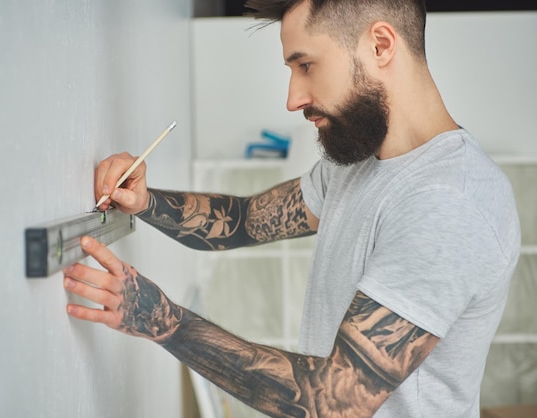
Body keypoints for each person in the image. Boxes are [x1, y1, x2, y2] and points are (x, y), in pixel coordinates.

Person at [62, 0, 521, 416]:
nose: (292, 98)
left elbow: (337, 401)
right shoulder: (359, 162)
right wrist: (143, 201)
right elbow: (244, 221)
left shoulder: (449, 201)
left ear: (380, 45)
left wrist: (163, 321)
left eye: (306, 65)